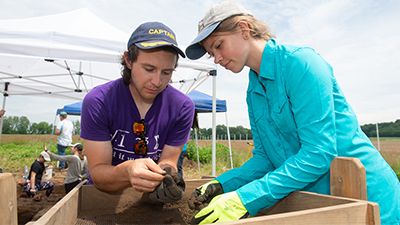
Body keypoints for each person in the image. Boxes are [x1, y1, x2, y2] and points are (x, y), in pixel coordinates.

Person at [185, 1, 400, 224]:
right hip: (320, 204)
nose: (217, 59)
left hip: (368, 200)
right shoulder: (254, 91)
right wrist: (223, 184)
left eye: (218, 45)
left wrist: (244, 198)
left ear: (244, 29)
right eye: (212, 54)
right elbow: (265, 158)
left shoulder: (301, 63)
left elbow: (318, 153)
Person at [80, 21, 195, 203]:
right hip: (104, 201)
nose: (157, 81)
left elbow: (169, 160)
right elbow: (98, 172)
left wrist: (169, 176)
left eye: (166, 72)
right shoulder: (99, 101)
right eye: (149, 69)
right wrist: (127, 171)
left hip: (150, 201)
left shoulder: (182, 107)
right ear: (128, 60)